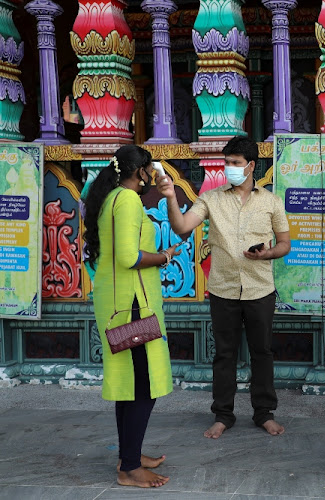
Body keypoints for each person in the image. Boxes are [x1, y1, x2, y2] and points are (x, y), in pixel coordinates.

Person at [156, 136, 290, 439]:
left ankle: (264, 413)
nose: (229, 168)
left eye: (235, 163)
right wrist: (170, 197)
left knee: (262, 353)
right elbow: (181, 227)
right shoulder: (211, 199)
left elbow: (284, 244)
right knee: (224, 355)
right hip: (223, 290)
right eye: (226, 163)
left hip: (260, 289)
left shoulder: (271, 201)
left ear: (251, 165)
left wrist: (267, 253)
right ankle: (223, 415)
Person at [84, 145, 181, 488]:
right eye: (149, 170)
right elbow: (128, 256)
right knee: (144, 385)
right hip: (131, 305)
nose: (152, 176)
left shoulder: (110, 198)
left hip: (118, 302)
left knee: (131, 382)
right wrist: (163, 257)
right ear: (139, 171)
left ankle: (130, 453)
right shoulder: (126, 200)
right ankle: (129, 468)